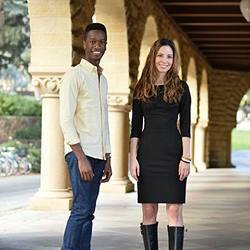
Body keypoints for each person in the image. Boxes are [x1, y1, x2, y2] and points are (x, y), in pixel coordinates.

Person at [129, 38, 191, 250]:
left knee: (174, 210)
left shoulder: (182, 88)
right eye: (161, 55)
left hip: (173, 155)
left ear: (174, 61)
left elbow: (185, 126)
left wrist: (186, 158)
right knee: (148, 211)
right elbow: (135, 128)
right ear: (153, 57)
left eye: (170, 56)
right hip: (147, 155)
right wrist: (133, 159)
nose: (165, 60)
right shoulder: (141, 88)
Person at [59, 22, 112, 250]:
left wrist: (108, 157)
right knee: (80, 211)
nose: (97, 46)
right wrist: (80, 157)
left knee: (89, 213)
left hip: (99, 157)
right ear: (84, 44)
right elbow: (66, 120)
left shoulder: (103, 79)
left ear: (106, 45)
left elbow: (104, 122)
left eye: (101, 42)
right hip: (81, 155)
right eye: (93, 41)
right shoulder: (74, 75)